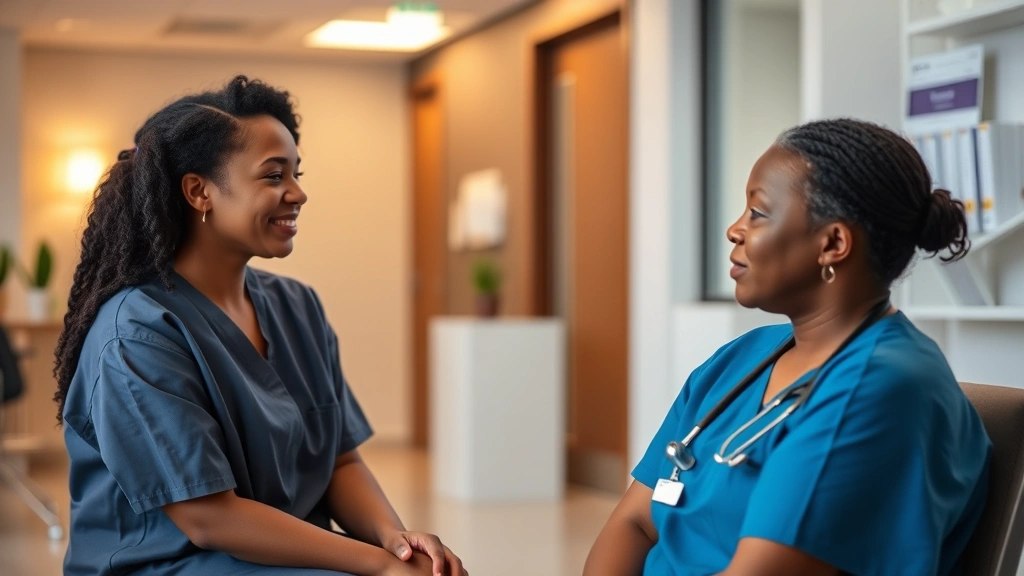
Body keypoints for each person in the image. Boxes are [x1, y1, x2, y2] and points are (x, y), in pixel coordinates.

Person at [54, 75, 466, 576]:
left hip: (282, 548)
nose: (298, 193)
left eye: (296, 173)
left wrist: (396, 543)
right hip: (176, 562)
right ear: (199, 191)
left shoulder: (296, 306)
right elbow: (208, 518)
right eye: (274, 176)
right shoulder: (136, 333)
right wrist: (378, 567)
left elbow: (340, 461)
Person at [584, 118, 991, 576]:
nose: (734, 230)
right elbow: (636, 521)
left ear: (832, 243)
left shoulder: (876, 390)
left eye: (757, 213)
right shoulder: (740, 360)